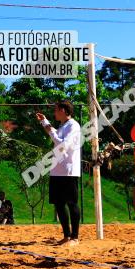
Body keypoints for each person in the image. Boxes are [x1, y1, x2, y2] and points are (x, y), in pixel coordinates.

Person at [36, 100, 81, 246]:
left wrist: (49, 130)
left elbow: (62, 145)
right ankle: (67, 236)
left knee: (72, 203)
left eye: (56, 110)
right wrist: (45, 122)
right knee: (59, 204)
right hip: (56, 170)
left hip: (69, 171)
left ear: (63, 110)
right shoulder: (63, 126)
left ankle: (75, 237)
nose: (54, 112)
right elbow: (56, 135)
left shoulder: (73, 125)